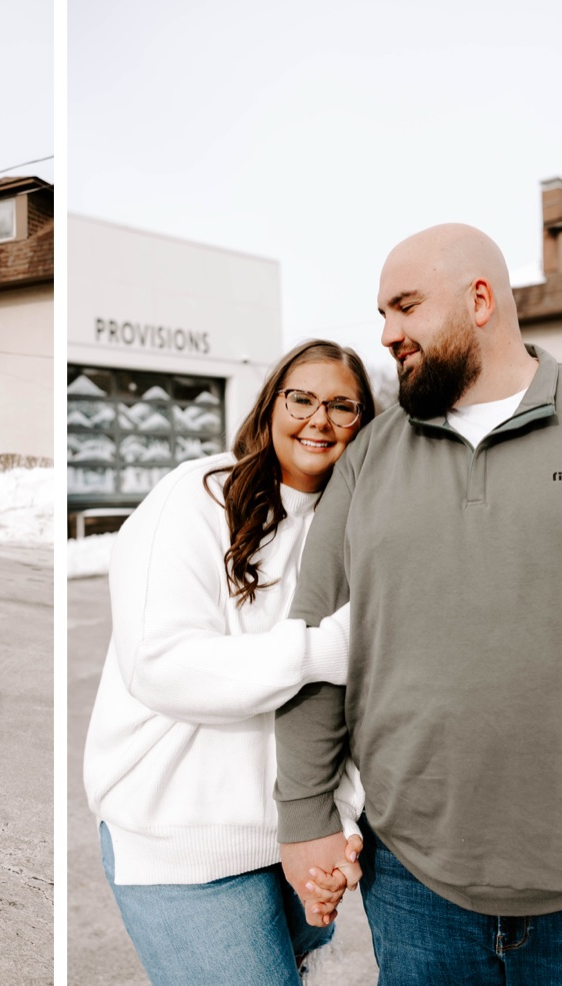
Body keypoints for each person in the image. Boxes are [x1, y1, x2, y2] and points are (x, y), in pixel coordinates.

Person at [275, 223, 562, 984]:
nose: (386, 334)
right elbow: (316, 642)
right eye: (382, 313)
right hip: (415, 882)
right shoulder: (372, 459)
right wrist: (306, 814)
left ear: (479, 299)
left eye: (405, 307)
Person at [81, 339, 374, 985]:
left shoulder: (359, 530)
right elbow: (161, 664)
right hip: (184, 844)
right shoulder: (199, 496)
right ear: (271, 404)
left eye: (343, 407)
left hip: (301, 836)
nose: (319, 420)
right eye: (302, 399)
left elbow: (356, 710)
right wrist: (326, 650)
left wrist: (341, 823)